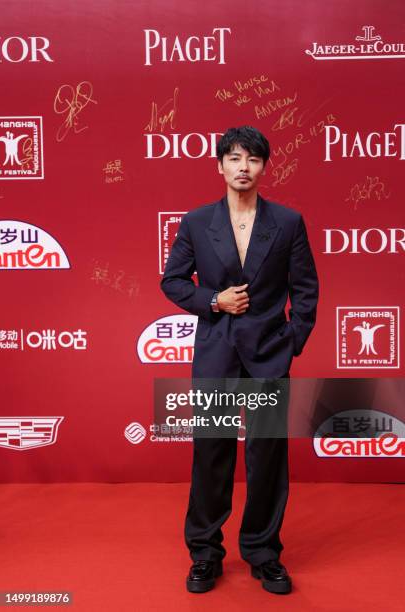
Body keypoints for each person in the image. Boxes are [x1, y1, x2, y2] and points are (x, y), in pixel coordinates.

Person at [160, 125, 319, 594]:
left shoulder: (288, 222)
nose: (242, 167)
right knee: (212, 453)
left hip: (270, 354)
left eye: (251, 159)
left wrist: (291, 341)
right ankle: (205, 552)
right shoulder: (196, 222)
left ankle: (264, 551)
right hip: (216, 354)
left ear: (264, 166)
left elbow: (306, 290)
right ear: (220, 166)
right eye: (233, 158)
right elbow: (173, 281)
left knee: (267, 455)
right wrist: (214, 301)